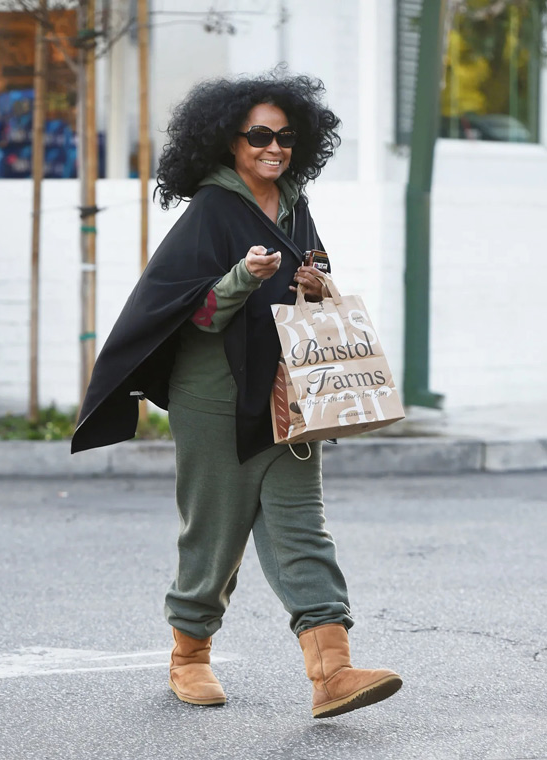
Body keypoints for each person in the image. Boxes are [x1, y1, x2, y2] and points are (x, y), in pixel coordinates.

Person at [71, 71, 402, 719]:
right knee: (215, 533)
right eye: (259, 136)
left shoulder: (295, 203)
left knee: (303, 528)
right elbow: (188, 315)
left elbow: (312, 283)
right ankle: (189, 656)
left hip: (288, 391)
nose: (274, 148)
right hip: (214, 395)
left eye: (286, 137)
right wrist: (240, 279)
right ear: (229, 141)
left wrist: (316, 282)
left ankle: (332, 672)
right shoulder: (210, 211)